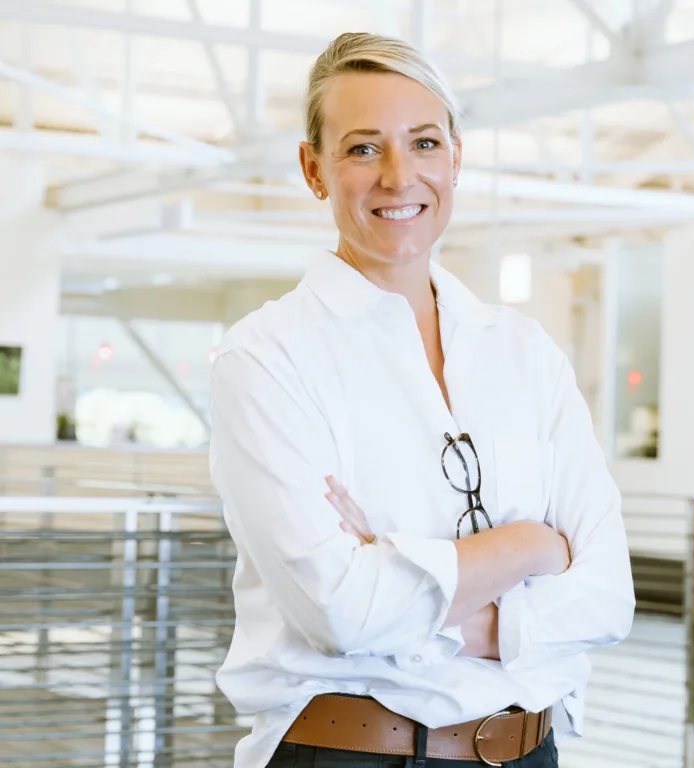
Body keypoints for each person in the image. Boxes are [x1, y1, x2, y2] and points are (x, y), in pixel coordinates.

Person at [210, 31, 635, 768]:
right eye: (363, 149)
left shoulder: (525, 352)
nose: (399, 176)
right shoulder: (269, 356)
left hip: (528, 751)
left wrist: (401, 571)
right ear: (314, 169)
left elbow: (608, 597)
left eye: (425, 143)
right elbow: (342, 613)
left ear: (457, 158)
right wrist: (528, 547)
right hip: (354, 757)